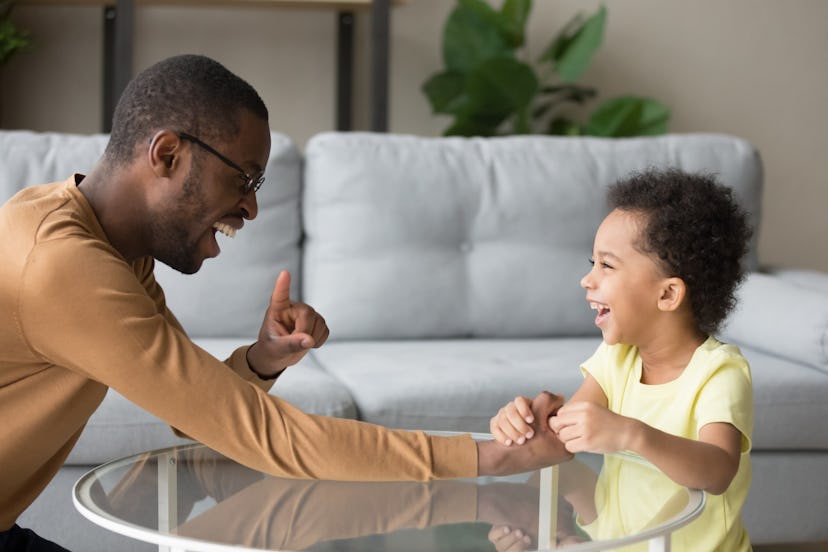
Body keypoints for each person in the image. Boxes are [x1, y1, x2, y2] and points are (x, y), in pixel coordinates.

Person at [0, 54, 570, 551]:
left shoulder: (103, 242)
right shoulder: (63, 264)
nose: (250, 208)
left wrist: (262, 360)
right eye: (244, 178)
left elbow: (189, 411)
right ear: (168, 154)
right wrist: (493, 458)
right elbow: (266, 437)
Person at [489, 168, 754, 550]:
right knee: (551, 478)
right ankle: (553, 537)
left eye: (606, 265)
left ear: (667, 295)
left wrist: (631, 433)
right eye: (592, 262)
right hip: (619, 539)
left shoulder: (719, 372)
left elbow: (717, 471)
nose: (587, 279)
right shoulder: (617, 357)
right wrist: (524, 420)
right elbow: (560, 443)